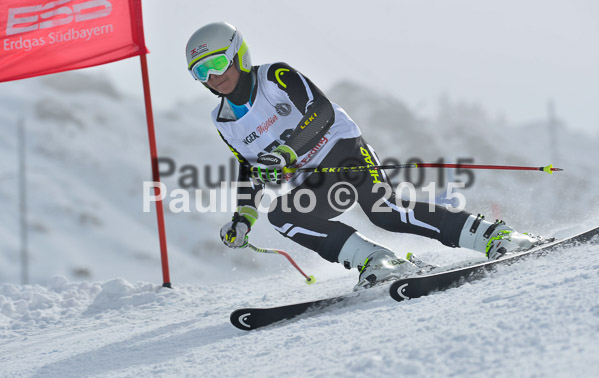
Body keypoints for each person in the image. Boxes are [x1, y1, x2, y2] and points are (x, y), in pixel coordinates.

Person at [185, 22, 544, 289]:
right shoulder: (223, 120)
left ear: (238, 55)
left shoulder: (276, 76)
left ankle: (496, 236)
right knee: (283, 215)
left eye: (217, 63)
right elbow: (248, 167)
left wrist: (286, 152)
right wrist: (243, 217)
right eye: (201, 71)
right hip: (315, 181)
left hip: (342, 150)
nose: (213, 76)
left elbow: (321, 113)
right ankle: (376, 260)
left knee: (385, 212)